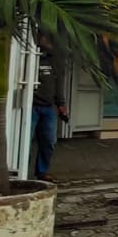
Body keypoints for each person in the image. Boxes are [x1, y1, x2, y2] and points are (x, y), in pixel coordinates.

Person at [31, 34, 68, 181]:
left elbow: (58, 85)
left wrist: (61, 104)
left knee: (49, 141)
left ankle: (42, 171)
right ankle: (20, 172)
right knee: (26, 140)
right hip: (32, 105)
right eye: (45, 39)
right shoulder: (32, 57)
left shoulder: (53, 61)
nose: (48, 42)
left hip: (48, 107)